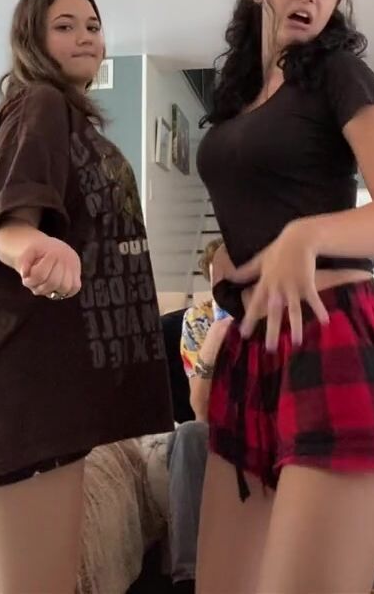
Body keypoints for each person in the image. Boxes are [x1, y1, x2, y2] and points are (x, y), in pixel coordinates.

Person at [195, 0, 374, 594]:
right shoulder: (238, 100)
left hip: (333, 335)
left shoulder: (339, 74)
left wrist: (305, 236)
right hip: (250, 350)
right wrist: (231, 266)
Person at [0, 0, 173, 594]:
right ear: (32, 40)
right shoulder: (38, 103)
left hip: (57, 387)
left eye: (92, 25)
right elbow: (10, 228)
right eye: (65, 25)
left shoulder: (75, 123)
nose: (86, 36)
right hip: (22, 383)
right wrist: (34, 247)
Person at [166, 238, 232, 594]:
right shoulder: (199, 319)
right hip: (217, 426)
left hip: (270, 424)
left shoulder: (276, 310)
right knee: (189, 434)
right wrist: (216, 337)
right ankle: (188, 579)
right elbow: (201, 411)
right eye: (215, 282)